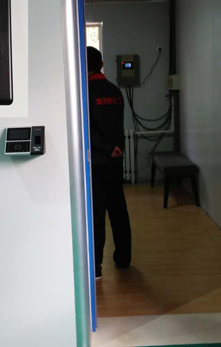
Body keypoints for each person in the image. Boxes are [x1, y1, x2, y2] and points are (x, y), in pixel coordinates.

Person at [87, 46, 132, 280]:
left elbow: (88, 130)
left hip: (96, 162)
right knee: (118, 212)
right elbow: (118, 125)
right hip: (115, 160)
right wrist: (117, 148)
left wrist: (106, 148)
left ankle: (95, 268)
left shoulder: (84, 93)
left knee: (96, 215)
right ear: (102, 65)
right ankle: (124, 259)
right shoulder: (115, 91)